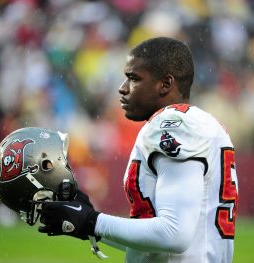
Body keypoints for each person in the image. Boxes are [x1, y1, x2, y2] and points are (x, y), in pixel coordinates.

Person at [38, 37, 239, 263]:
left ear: (165, 83)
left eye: (134, 78)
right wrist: (87, 223)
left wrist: (92, 221)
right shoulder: (195, 122)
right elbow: (155, 247)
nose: (123, 88)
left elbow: (174, 235)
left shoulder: (172, 124)